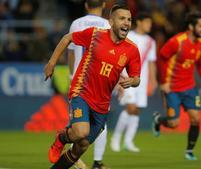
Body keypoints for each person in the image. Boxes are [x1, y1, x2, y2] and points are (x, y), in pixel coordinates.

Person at [44, 4, 141, 169]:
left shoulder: (132, 50)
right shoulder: (95, 34)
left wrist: (132, 82)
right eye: (122, 18)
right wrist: (51, 63)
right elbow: (67, 38)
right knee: (81, 132)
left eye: (129, 19)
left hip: (102, 104)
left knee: (81, 146)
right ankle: (61, 138)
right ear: (111, 22)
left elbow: (137, 78)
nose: (126, 23)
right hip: (82, 92)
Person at [152, 11, 201, 160]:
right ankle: (159, 120)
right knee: (174, 124)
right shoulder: (177, 41)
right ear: (190, 26)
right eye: (200, 26)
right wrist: (164, 82)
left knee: (196, 119)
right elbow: (161, 58)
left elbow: (200, 66)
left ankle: (189, 151)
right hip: (172, 88)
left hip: (189, 88)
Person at [67, 0, 110, 168]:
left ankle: (73, 154)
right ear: (104, 5)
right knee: (100, 122)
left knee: (78, 121)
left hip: (79, 80)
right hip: (99, 80)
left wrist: (72, 76)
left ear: (86, 5)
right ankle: (97, 162)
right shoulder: (107, 24)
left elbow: (71, 53)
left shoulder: (76, 24)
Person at [110, 13, 157, 153]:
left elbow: (151, 62)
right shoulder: (128, 36)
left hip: (142, 80)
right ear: (140, 22)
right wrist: (119, 77)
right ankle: (116, 138)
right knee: (130, 108)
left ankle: (128, 141)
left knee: (137, 111)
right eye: (147, 22)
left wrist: (153, 80)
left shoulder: (151, 41)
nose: (150, 26)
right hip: (126, 77)